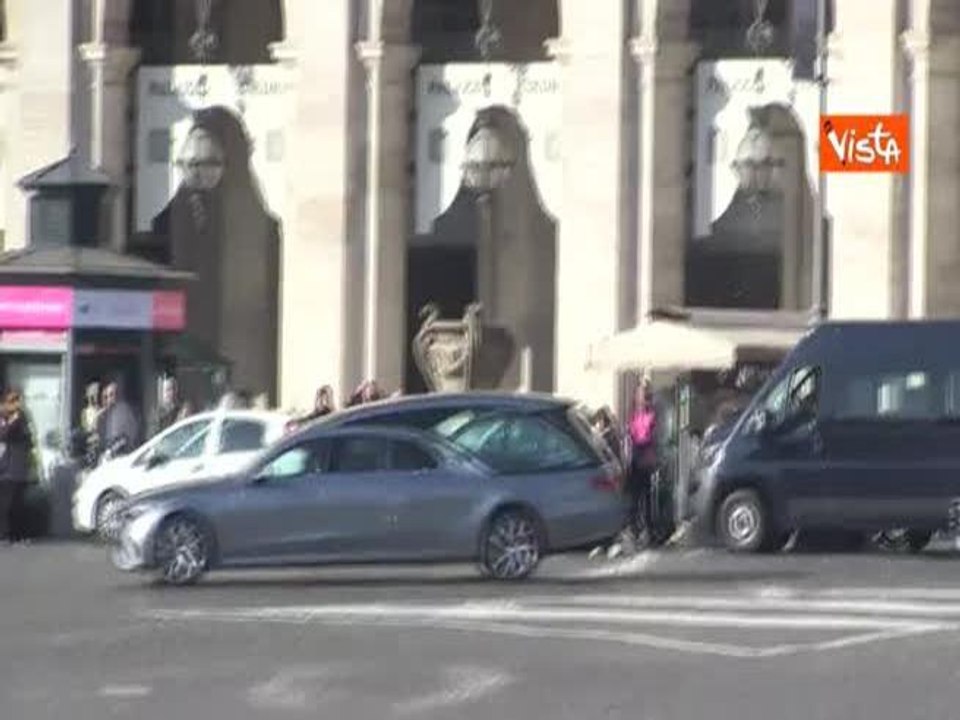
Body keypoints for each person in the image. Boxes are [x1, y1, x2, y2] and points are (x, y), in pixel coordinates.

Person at [0, 391, 35, 543]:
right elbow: (4, 435)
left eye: (16, 401)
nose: (14, 404)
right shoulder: (9, 418)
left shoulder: (21, 418)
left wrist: (10, 422)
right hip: (10, 467)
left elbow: (6, 435)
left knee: (15, 504)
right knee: (10, 504)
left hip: (17, 468)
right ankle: (9, 535)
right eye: (11, 401)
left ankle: (16, 535)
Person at [97, 381, 141, 458]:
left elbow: (127, 437)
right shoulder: (105, 414)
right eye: (107, 397)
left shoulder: (124, 410)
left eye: (111, 395)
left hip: (123, 454)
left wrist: (112, 451)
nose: (109, 399)